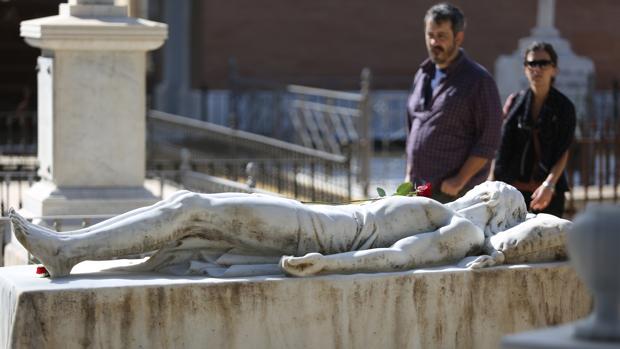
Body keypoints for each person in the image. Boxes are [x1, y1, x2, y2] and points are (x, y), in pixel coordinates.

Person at [10, 181, 527, 278]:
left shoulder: (462, 229)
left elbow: (398, 259)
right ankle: (70, 248)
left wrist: (330, 264)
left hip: (313, 234)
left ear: (496, 205)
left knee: (191, 210)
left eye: (493, 189)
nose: (484, 188)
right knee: (187, 211)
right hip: (311, 218)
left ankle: (68, 250)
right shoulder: (450, 212)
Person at [405, 3, 502, 203]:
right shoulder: (423, 74)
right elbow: (413, 127)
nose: (434, 42)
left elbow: (489, 140)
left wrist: (459, 180)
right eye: (430, 35)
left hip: (454, 196)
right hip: (419, 190)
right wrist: (409, 175)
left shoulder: (478, 81)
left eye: (441, 36)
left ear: (458, 37)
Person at [492, 42, 576, 217]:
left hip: (548, 191)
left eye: (543, 63)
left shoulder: (564, 107)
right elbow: (501, 147)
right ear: (525, 69)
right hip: (513, 190)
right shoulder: (515, 102)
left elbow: (563, 151)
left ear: (554, 69)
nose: (537, 68)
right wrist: (492, 183)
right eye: (532, 63)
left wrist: (549, 185)